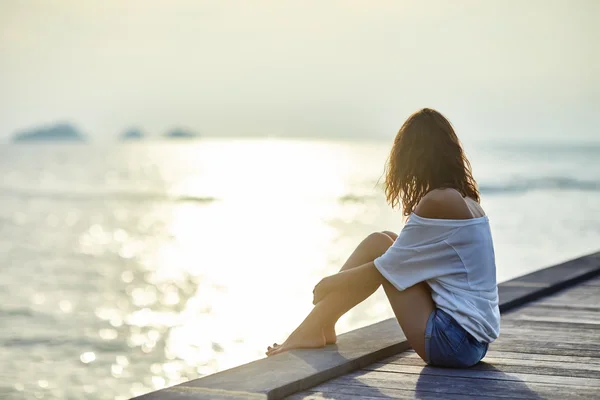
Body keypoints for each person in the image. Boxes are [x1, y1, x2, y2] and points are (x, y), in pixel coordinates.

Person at [266, 108, 500, 368]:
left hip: (453, 343)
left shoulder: (439, 200)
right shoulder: (466, 201)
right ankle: (322, 324)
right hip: (473, 342)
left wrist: (329, 283)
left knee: (380, 248)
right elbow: (396, 261)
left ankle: (313, 326)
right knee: (383, 239)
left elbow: (385, 269)